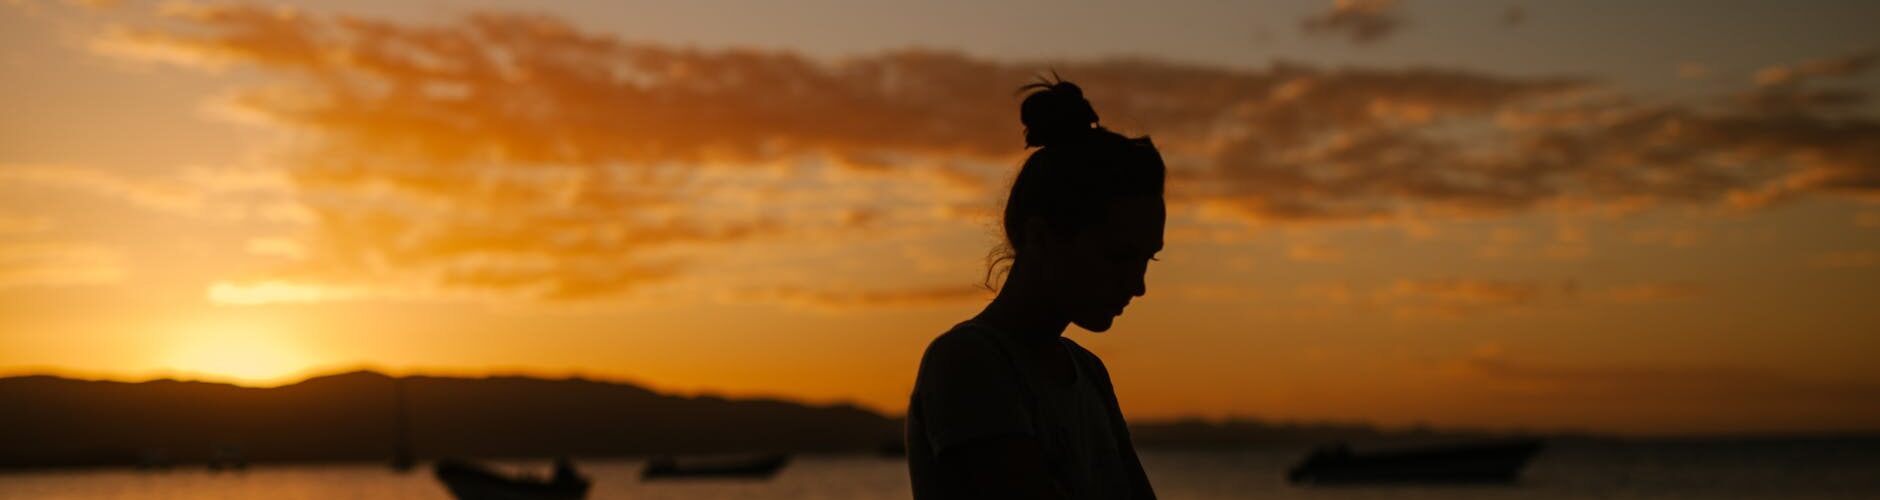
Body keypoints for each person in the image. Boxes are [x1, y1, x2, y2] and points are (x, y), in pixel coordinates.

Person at [906, 78, 1164, 499]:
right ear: (1041, 238)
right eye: (1118, 256)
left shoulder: (1088, 374)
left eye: (1147, 259)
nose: (1138, 286)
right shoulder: (969, 361)